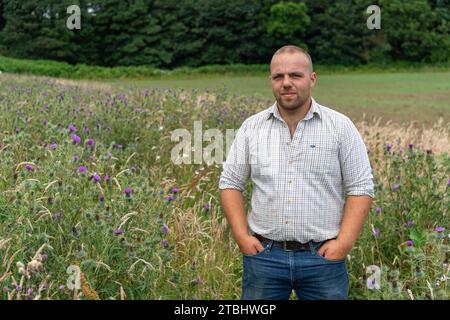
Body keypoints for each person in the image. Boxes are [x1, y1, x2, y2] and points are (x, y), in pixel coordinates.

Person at [219, 45, 374, 300]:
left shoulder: (340, 127)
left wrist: (343, 244)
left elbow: (360, 186)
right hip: (264, 258)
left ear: (312, 79)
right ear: (271, 80)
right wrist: (242, 237)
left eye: (295, 75)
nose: (286, 83)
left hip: (323, 258)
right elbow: (230, 182)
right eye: (278, 77)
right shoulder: (252, 128)